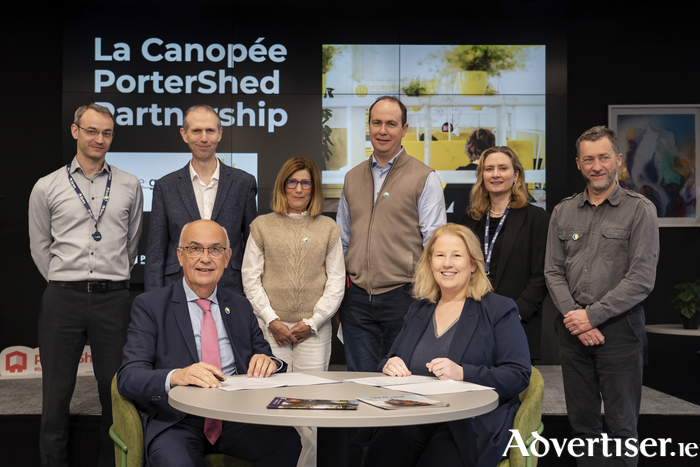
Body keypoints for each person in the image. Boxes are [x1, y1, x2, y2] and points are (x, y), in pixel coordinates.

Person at [118, 220, 301, 467]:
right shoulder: (150, 305)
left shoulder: (239, 306)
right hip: (178, 420)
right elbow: (129, 377)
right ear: (180, 256)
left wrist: (269, 362)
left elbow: (269, 359)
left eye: (215, 250)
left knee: (287, 441)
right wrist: (176, 375)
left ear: (227, 259)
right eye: (195, 249)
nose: (205, 258)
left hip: (235, 417)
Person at [28, 103, 143, 467]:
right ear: (76, 131)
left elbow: (132, 242)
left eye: (107, 133)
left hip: (114, 301)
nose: (100, 139)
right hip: (63, 299)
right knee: (55, 398)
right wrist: (66, 283)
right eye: (92, 131)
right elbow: (39, 246)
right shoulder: (47, 186)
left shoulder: (129, 184)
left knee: (116, 398)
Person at [364, 223, 530, 467]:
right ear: (430, 262)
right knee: (380, 455)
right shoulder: (419, 309)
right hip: (415, 415)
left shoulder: (499, 309)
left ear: (473, 264)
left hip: (469, 423)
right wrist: (389, 364)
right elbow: (390, 358)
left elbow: (518, 375)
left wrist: (463, 373)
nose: (447, 263)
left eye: (457, 256)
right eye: (440, 255)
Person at [545, 126, 659, 466]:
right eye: (589, 159)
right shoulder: (563, 212)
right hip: (572, 334)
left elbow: (641, 279)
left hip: (621, 333)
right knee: (583, 428)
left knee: (622, 429)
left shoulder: (641, 210)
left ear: (618, 161)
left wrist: (591, 317)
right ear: (579, 164)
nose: (597, 166)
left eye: (604, 158)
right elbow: (553, 272)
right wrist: (577, 320)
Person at [242, 157, 344, 467]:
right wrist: (272, 320)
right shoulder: (261, 226)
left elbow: (336, 283)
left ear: (314, 188)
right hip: (272, 331)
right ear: (282, 186)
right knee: (272, 406)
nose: (299, 189)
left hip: (313, 332)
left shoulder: (329, 228)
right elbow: (250, 278)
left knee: (309, 410)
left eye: (305, 183)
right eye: (292, 182)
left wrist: (311, 323)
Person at [336, 96, 447, 372]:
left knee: (404, 385)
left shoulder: (424, 177)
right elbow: (342, 239)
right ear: (369, 126)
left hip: (405, 297)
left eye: (391, 124)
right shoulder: (351, 177)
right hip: (357, 301)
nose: (382, 130)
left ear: (404, 129)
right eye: (376, 123)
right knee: (361, 383)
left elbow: (435, 242)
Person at [145, 104, 257, 294]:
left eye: (210, 131)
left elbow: (253, 249)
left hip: (230, 288)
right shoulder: (166, 186)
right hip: (177, 288)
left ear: (220, 134)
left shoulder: (243, 183)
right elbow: (156, 254)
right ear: (184, 134)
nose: (204, 138)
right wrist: (153, 303)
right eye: (196, 131)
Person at [461, 146, 548, 361]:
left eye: (503, 168)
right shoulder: (469, 220)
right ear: (482, 175)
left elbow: (542, 273)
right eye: (489, 169)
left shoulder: (535, 218)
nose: (496, 174)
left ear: (516, 174)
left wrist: (516, 311)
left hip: (517, 320)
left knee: (514, 391)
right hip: (473, 320)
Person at [443, 128, 495, 223]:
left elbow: (444, 204)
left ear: (470, 148)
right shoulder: (495, 174)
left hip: (463, 230)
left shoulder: (459, 173)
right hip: (488, 229)